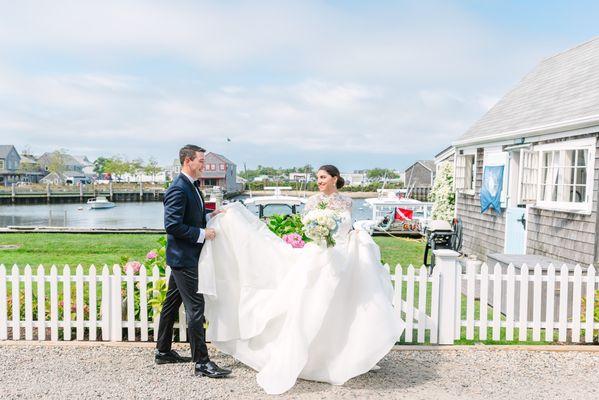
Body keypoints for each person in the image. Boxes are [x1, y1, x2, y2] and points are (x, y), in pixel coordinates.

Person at [198, 164, 403, 394]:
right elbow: (308, 229)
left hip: (344, 257)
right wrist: (320, 233)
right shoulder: (313, 201)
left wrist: (354, 234)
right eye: (317, 178)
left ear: (335, 178)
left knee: (345, 305)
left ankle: (343, 355)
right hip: (320, 256)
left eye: (323, 177)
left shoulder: (347, 201)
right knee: (311, 303)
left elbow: (347, 227)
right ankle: (312, 358)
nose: (319, 181)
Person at [155, 144, 231, 378]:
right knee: (195, 309)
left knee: (170, 304)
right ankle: (202, 363)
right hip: (184, 258)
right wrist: (202, 234)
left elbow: (192, 216)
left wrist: (210, 216)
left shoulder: (192, 187)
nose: (204, 166)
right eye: (201, 161)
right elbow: (173, 225)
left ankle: (163, 351)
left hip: (184, 257)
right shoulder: (178, 188)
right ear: (188, 161)